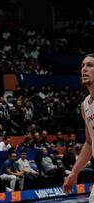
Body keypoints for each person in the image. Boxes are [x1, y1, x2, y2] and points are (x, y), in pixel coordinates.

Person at [63, 54, 94, 199]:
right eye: (82, 66)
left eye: (90, 65)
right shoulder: (85, 105)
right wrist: (74, 172)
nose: (84, 69)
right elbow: (89, 142)